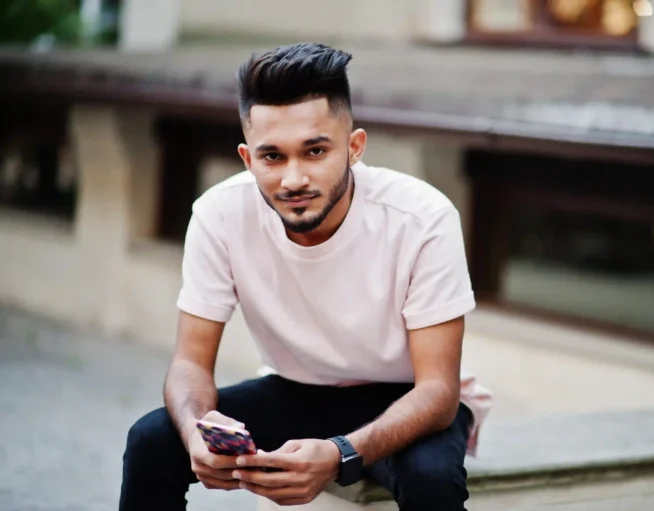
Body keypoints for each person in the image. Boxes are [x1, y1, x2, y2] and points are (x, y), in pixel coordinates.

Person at [119, 42, 492, 511]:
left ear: (355, 148)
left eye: (315, 151)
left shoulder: (422, 217)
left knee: (432, 480)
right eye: (272, 157)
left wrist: (340, 454)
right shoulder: (219, 214)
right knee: (152, 440)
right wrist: (197, 431)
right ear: (247, 157)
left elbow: (438, 391)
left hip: (406, 395)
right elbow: (190, 364)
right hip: (295, 388)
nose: (293, 179)